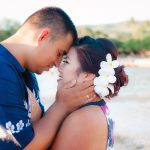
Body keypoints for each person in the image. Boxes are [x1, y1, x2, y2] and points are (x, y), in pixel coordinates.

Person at [0, 7, 95, 150]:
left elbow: (40, 125)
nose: (58, 64)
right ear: (43, 36)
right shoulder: (2, 71)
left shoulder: (27, 72)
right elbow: (17, 146)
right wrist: (61, 105)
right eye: (59, 53)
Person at [50, 36, 128, 150]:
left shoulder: (82, 118)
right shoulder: (98, 109)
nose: (59, 68)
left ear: (87, 75)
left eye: (66, 62)